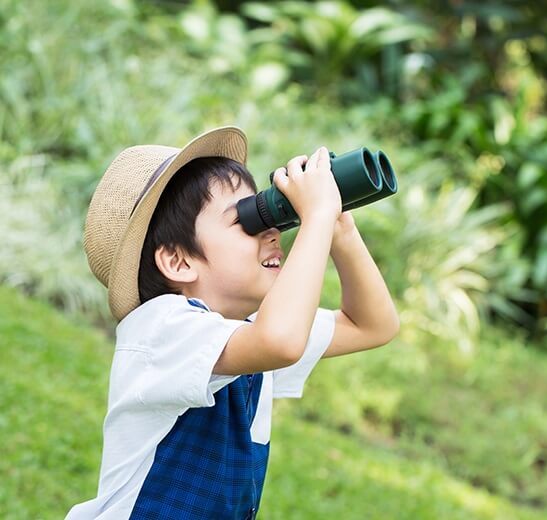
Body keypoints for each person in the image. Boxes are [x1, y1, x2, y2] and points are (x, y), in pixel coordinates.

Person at [66, 126, 400, 519]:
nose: (273, 230)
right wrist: (316, 218)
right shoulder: (161, 329)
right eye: (247, 220)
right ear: (178, 261)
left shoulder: (249, 328)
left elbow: (372, 325)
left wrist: (339, 229)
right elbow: (280, 341)